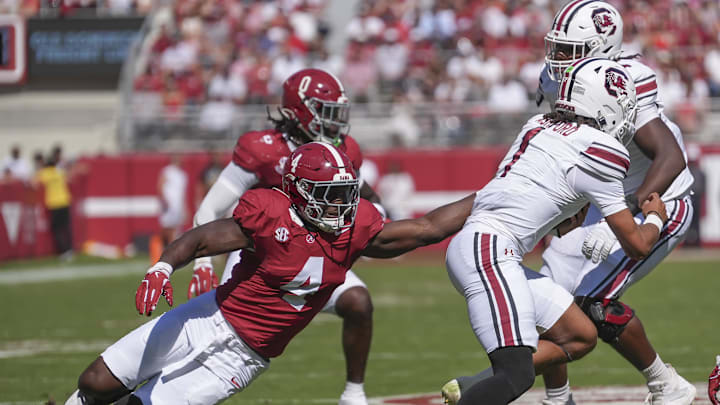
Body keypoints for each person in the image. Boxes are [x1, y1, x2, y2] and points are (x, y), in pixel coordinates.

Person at [64, 141, 476, 405]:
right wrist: (163, 265)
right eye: (329, 196)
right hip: (208, 316)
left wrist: (494, 193)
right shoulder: (269, 214)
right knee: (95, 382)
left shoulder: (354, 232)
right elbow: (202, 238)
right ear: (299, 192)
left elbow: (428, 228)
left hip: (244, 353)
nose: (341, 207)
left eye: (345, 196)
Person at [441, 58, 669, 405]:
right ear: (607, 107)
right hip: (491, 251)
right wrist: (654, 216)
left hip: (484, 245)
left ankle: (476, 386)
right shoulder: (602, 152)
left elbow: (556, 215)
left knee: (579, 335)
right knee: (515, 375)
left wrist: (572, 211)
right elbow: (637, 245)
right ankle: (480, 390)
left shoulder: (538, 124)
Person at [188, 68, 386, 405]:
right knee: (223, 335)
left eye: (338, 114)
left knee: (358, 302)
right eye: (326, 112)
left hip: (315, 252)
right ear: (300, 110)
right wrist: (202, 263)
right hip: (261, 253)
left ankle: (354, 394)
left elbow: (369, 199)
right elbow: (210, 208)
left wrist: (375, 219)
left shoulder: (344, 151)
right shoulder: (263, 149)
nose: (335, 123)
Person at [536, 2, 696, 404]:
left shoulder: (625, 78)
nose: (557, 60)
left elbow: (671, 157)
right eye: (557, 48)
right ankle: (559, 399)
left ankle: (666, 384)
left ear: (602, 46)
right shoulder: (555, 80)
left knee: (594, 304)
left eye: (571, 50)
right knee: (545, 297)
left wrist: (635, 214)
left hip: (659, 199)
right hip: (606, 199)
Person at [34, 153, 73, 261]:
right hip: (65, 201)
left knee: (56, 229)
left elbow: (33, 183)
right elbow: (70, 178)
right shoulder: (59, 172)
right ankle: (70, 249)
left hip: (54, 203)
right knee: (66, 227)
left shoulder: (44, 173)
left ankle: (63, 251)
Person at [157, 154, 188, 250]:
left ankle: (171, 249)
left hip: (177, 205)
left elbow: (183, 193)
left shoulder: (183, 174)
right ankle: (163, 247)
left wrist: (185, 208)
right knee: (167, 227)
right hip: (168, 204)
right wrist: (164, 199)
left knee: (175, 228)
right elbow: (160, 184)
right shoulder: (168, 171)